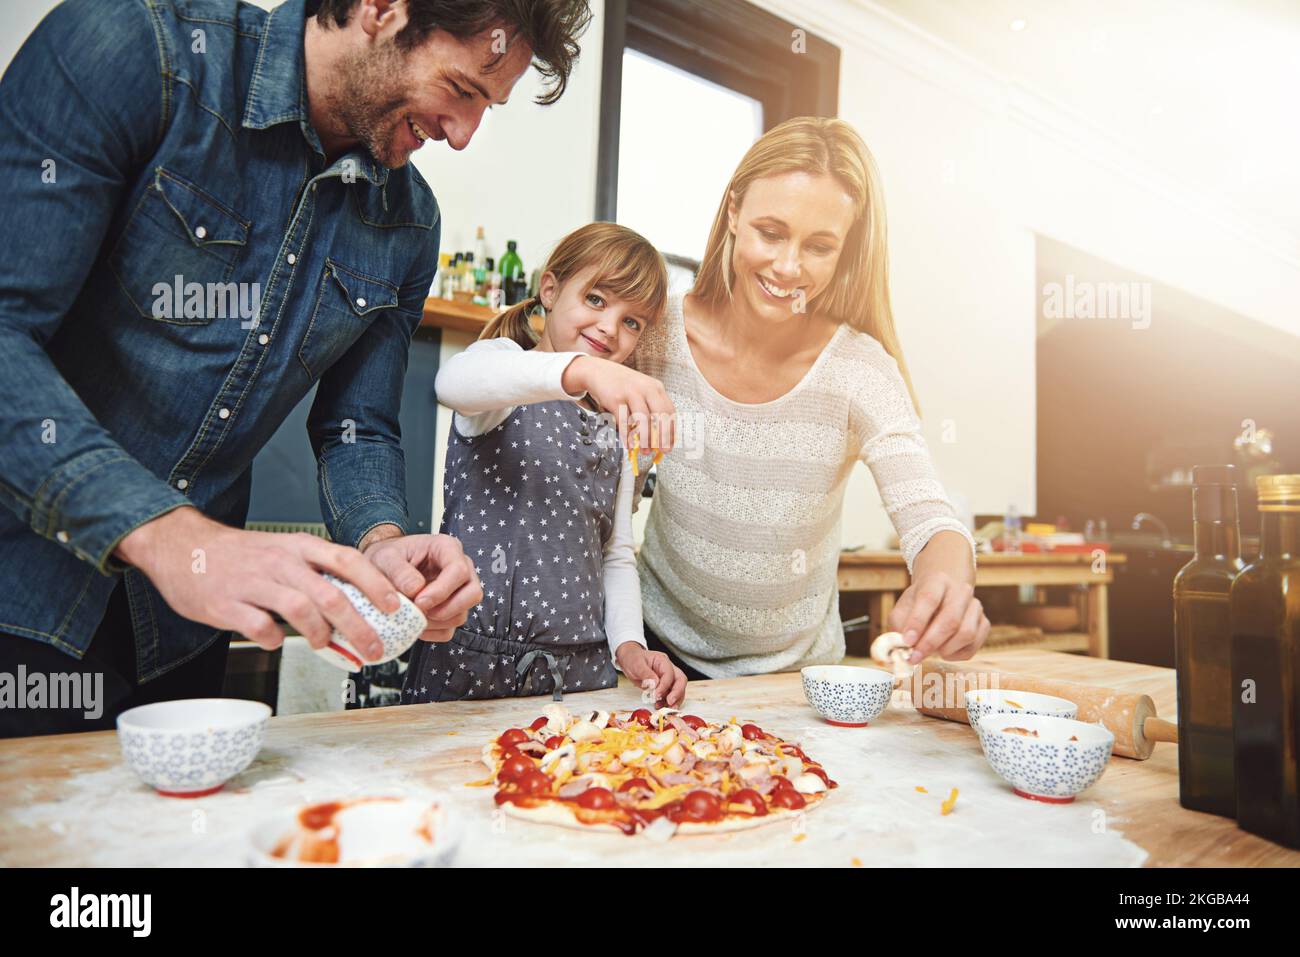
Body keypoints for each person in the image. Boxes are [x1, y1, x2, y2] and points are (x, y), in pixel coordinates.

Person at [0, 0, 592, 736]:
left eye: (487, 108)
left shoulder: (408, 223)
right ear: (380, 10)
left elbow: (359, 425)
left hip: (187, 629)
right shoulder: (136, 52)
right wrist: (168, 533)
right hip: (23, 588)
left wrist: (382, 540)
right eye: (463, 90)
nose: (465, 135)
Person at [630, 116, 990, 680]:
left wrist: (947, 582)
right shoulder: (655, 334)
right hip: (653, 658)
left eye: (819, 246)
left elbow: (927, 514)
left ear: (844, 252)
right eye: (770, 233)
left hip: (796, 680)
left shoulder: (859, 369)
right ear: (732, 214)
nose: (788, 267)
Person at [404, 223, 687, 707]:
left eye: (632, 322)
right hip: (470, 662)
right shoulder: (505, 371)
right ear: (550, 290)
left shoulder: (615, 426)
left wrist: (630, 647)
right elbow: (454, 383)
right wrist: (583, 370)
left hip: (581, 674)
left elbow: (616, 553)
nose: (609, 329)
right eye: (596, 300)